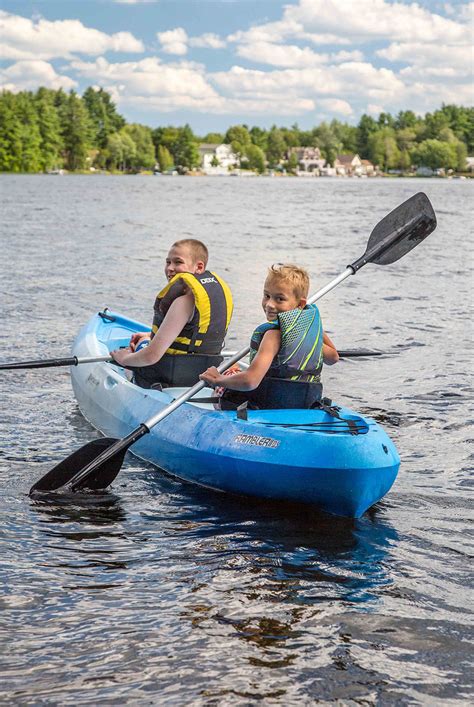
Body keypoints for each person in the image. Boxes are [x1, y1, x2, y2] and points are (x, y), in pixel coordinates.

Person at [199, 263, 338, 409]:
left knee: (228, 369)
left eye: (280, 299)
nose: (270, 304)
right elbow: (333, 358)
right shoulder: (308, 331)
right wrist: (312, 335)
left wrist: (217, 379)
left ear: (300, 304)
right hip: (304, 403)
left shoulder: (273, 336)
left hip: (270, 404)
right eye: (267, 296)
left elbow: (250, 381)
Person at [111, 239, 233, 388]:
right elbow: (192, 337)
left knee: (137, 348)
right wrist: (151, 336)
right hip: (204, 377)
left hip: (170, 377)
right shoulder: (211, 295)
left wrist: (124, 359)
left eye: (178, 262)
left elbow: (151, 356)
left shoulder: (183, 301)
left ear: (199, 267)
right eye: (168, 262)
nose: (170, 268)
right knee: (145, 340)